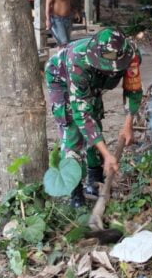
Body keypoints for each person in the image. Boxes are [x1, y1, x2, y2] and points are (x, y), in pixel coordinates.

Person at [45, 28, 143, 207]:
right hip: (62, 79)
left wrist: (128, 124)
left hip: (94, 82)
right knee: (73, 130)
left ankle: (95, 181)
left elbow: (133, 89)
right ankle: (75, 194)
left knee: (95, 120)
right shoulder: (77, 61)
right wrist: (108, 155)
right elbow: (81, 113)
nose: (112, 70)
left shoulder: (131, 55)